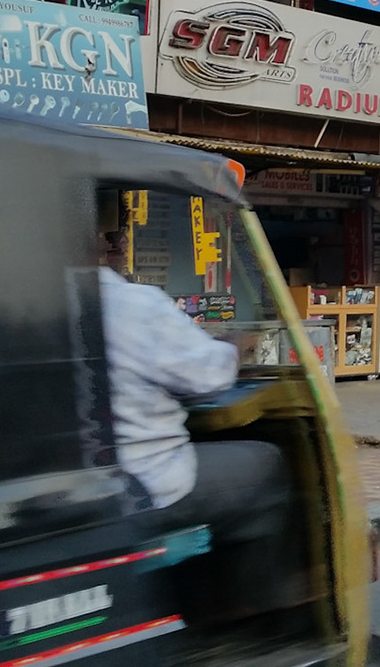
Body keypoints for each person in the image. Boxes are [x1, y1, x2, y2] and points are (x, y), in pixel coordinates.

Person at [95, 232, 298, 619]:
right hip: (144, 484)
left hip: (78, 490)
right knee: (267, 463)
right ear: (100, 246)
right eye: (112, 239)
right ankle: (255, 610)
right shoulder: (133, 303)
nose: (120, 246)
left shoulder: (26, 309)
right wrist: (234, 347)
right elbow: (210, 375)